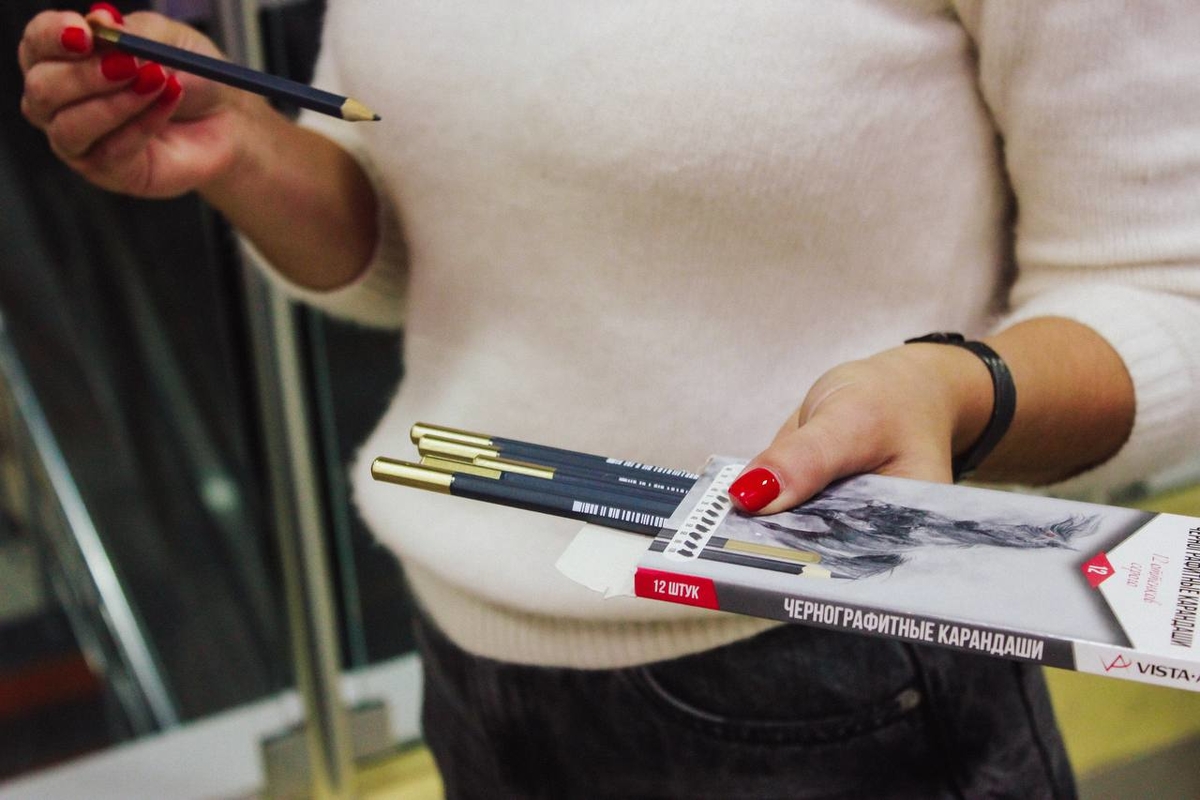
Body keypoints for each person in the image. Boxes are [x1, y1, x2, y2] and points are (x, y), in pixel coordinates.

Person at [20, 2, 1200, 797]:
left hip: (836, 655)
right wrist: (246, 148)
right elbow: (417, 237)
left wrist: (948, 388)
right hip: (471, 654)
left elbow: (1167, 285)